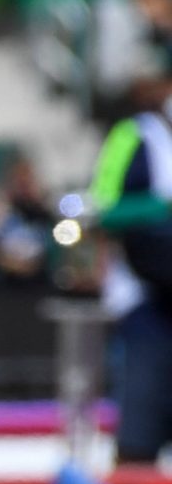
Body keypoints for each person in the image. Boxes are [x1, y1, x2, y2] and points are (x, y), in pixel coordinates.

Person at [89, 100, 172, 465]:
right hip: (147, 308)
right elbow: (101, 206)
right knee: (138, 443)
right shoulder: (135, 135)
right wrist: (162, 209)